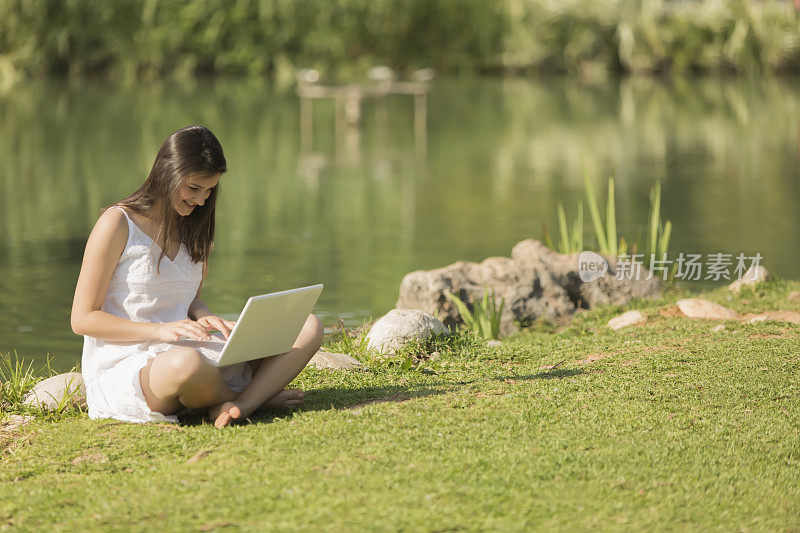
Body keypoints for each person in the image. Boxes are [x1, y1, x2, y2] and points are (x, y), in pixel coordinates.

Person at [71, 125, 323, 428]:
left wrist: (205, 315)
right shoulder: (117, 222)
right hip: (134, 363)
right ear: (167, 173)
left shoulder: (196, 228)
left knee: (307, 325)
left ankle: (239, 405)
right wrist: (160, 332)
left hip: (190, 348)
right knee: (186, 365)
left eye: (209, 190)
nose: (202, 201)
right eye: (194, 188)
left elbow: (190, 299)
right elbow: (83, 319)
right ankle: (257, 399)